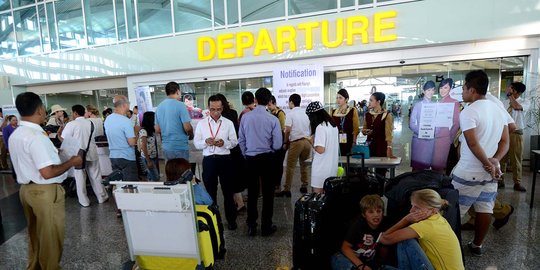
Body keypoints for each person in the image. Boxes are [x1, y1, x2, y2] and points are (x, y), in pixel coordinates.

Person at [9, 92, 82, 270]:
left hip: (26, 190)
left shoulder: (17, 134)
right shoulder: (35, 136)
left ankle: (34, 266)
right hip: (44, 192)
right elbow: (47, 173)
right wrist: (72, 161)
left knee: (35, 235)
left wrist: (57, 156)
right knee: (51, 238)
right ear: (40, 109)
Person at [451, 70, 509, 256]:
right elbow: (505, 141)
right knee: (485, 207)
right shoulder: (498, 109)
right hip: (489, 173)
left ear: (473, 90)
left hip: (468, 171)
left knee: (453, 212)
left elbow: (472, 142)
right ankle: (477, 245)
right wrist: (495, 162)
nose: (462, 92)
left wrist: (487, 163)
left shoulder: (469, 111)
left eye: (464, 88)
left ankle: (450, 250)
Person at [380, 189, 464, 270]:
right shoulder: (439, 219)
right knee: (404, 238)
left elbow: (384, 239)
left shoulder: (425, 226)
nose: (411, 210)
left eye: (417, 207)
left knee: (405, 240)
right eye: (412, 205)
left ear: (433, 210)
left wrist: (406, 220)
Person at [238, 87, 282, 237]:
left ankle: (251, 226)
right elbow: (277, 145)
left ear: (255, 100)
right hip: (267, 158)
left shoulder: (245, 117)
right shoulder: (273, 119)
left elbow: (241, 140)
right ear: (269, 101)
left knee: (252, 192)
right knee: (268, 193)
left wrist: (246, 154)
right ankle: (266, 227)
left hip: (250, 158)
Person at [194, 95, 238, 230]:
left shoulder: (228, 123)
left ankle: (231, 220)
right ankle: (214, 220)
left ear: (222, 108)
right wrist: (205, 142)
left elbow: (235, 142)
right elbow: (197, 143)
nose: (216, 112)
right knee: (210, 192)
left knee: (228, 192)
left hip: (225, 159)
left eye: (219, 109)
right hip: (209, 161)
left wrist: (224, 143)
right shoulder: (202, 123)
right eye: (213, 109)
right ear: (208, 108)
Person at [59, 105, 109, 207]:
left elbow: (65, 139)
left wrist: (59, 135)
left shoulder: (71, 124)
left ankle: (84, 201)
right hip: (92, 152)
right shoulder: (91, 123)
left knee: (80, 177)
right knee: (95, 175)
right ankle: (102, 197)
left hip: (78, 155)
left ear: (75, 113)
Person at [332, 195, 390, 270]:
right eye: (371, 212)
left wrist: (380, 264)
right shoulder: (358, 225)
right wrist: (361, 266)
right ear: (363, 214)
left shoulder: (385, 224)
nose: (376, 215)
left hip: (368, 261)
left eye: (379, 211)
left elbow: (384, 250)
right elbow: (345, 247)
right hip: (348, 258)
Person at [277, 94, 311, 197]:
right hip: (307, 142)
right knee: (304, 164)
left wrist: (285, 142)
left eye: (289, 102)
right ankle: (304, 185)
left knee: (290, 166)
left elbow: (287, 130)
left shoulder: (290, 114)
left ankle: (287, 189)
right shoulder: (305, 114)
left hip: (296, 142)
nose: (288, 103)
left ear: (291, 102)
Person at [304, 101, 338, 194]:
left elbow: (320, 149)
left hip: (321, 169)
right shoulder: (333, 125)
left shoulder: (320, 127)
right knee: (329, 197)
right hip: (332, 168)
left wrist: (311, 141)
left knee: (319, 198)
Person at [155, 81, 193, 161]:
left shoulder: (159, 107)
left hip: (166, 147)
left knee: (171, 172)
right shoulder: (181, 105)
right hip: (180, 146)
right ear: (178, 91)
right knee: (183, 172)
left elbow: (157, 130)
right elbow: (187, 128)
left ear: (166, 92)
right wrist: (191, 134)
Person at [104, 95, 138, 181]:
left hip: (113, 156)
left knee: (119, 184)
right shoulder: (126, 121)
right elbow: (131, 142)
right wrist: (136, 132)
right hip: (126, 157)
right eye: (128, 103)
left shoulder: (108, 119)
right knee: (130, 186)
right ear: (124, 105)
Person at [501, 82, 528, 192]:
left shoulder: (525, 102)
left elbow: (516, 106)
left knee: (516, 159)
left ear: (515, 91)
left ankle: (517, 182)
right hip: (504, 133)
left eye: (510, 88)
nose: (507, 89)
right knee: (502, 158)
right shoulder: (503, 102)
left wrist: (510, 96)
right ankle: (500, 180)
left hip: (516, 134)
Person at [362, 92, 395, 175]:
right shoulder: (368, 114)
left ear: (378, 102)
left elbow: (388, 133)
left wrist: (389, 147)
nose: (369, 102)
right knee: (366, 171)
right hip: (369, 146)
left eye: (371, 100)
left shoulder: (386, 115)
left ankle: (380, 187)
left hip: (381, 147)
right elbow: (364, 129)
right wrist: (365, 131)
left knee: (380, 172)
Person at [432, 78, 460, 173]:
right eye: (441, 88)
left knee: (444, 166)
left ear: (450, 89)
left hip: (446, 139)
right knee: (437, 166)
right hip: (437, 138)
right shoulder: (438, 103)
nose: (442, 90)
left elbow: (456, 123)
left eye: (445, 88)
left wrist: (450, 139)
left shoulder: (454, 102)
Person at [409, 81, 436, 171]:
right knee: (417, 167)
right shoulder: (417, 105)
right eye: (428, 90)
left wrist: (434, 131)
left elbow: (438, 123)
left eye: (432, 90)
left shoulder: (435, 106)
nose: (430, 92)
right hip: (419, 139)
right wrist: (424, 132)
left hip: (430, 140)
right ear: (423, 91)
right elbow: (412, 124)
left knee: (427, 167)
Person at [332, 89, 360, 155]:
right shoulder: (333, 112)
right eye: (337, 98)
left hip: (349, 140)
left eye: (340, 98)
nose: (338, 100)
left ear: (346, 99)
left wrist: (354, 142)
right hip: (336, 141)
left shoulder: (352, 110)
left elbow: (355, 128)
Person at [267, 95, 286, 194]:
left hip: (280, 141)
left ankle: (278, 185)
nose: (268, 107)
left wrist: (283, 143)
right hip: (272, 142)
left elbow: (282, 129)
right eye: (268, 105)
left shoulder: (280, 113)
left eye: (270, 105)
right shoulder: (270, 113)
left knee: (278, 164)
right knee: (273, 164)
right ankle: (273, 184)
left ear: (274, 103)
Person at [138, 111, 159, 181]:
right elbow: (143, 146)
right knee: (154, 177)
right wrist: (148, 160)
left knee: (153, 175)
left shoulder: (151, 130)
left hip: (153, 156)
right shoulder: (143, 131)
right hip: (148, 157)